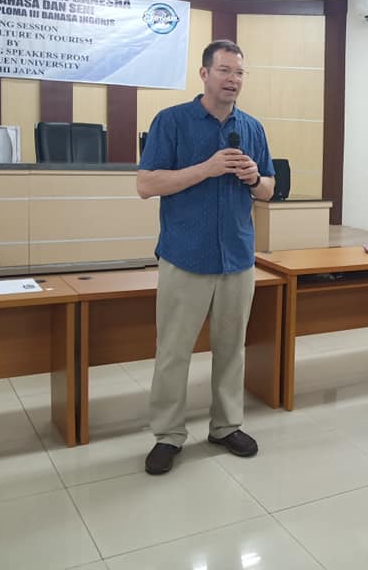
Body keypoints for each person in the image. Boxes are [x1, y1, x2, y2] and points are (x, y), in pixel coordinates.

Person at [137, 39, 275, 476]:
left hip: (237, 256)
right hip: (186, 255)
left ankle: (226, 426)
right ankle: (168, 435)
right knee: (174, 351)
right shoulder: (172, 121)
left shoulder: (252, 127)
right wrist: (207, 168)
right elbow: (146, 185)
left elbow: (269, 189)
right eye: (224, 70)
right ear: (204, 74)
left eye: (239, 72)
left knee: (232, 349)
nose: (233, 80)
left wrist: (254, 178)